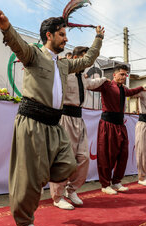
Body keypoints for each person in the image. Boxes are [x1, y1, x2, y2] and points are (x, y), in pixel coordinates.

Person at [0, 10, 105, 226]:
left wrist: (98, 39)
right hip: (32, 121)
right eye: (62, 34)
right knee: (29, 179)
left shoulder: (64, 64)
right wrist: (6, 27)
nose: (66, 39)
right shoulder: (33, 55)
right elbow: (17, 44)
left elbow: (88, 60)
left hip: (54, 125)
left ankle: (41, 181)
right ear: (49, 35)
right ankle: (24, 223)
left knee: (69, 164)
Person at [49, 46, 108, 210]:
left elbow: (90, 84)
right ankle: (57, 196)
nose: (86, 62)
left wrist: (104, 80)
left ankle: (71, 189)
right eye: (83, 58)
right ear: (75, 58)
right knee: (64, 158)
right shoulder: (63, 72)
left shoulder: (82, 76)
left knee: (83, 158)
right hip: (65, 118)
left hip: (79, 119)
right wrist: (59, 62)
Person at [90, 64, 145, 194]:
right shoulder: (106, 85)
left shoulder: (123, 89)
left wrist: (142, 87)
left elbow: (131, 92)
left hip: (120, 125)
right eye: (121, 74)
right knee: (106, 155)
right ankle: (105, 185)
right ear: (114, 75)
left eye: (126, 75)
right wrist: (102, 79)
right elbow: (89, 86)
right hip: (107, 124)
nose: (124, 77)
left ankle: (116, 182)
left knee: (123, 154)